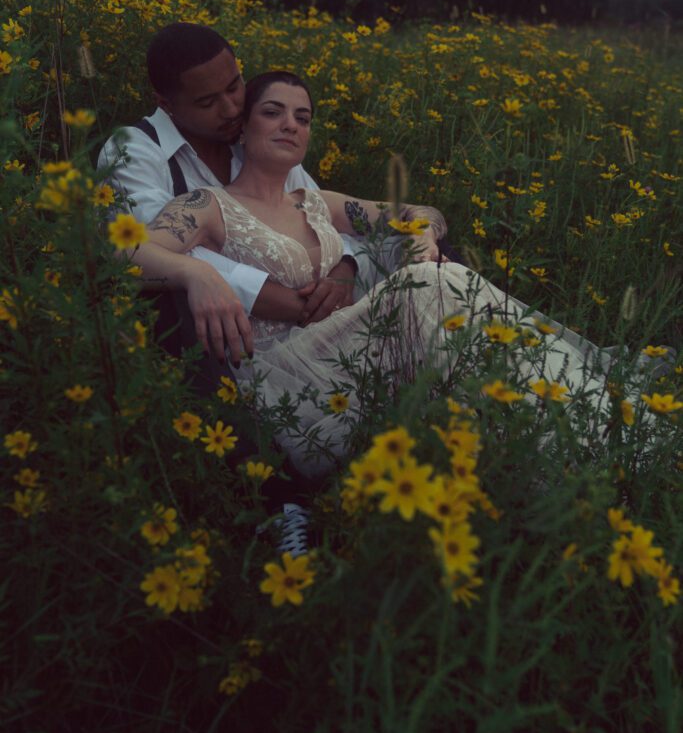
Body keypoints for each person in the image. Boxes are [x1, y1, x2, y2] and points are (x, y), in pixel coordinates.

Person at [126, 70, 651, 481]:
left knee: (440, 284)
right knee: (430, 287)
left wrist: (423, 235)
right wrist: (195, 273)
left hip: (350, 363)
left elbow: (424, 212)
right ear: (244, 125)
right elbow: (129, 251)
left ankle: (583, 431)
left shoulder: (317, 202)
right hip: (282, 386)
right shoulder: (205, 203)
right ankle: (592, 424)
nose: (291, 124)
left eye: (303, 118)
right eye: (273, 112)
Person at [98, 23, 362, 370]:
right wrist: (199, 274)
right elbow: (147, 251)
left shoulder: (256, 132)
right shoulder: (134, 150)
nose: (230, 109)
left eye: (234, 87)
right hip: (212, 355)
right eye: (207, 102)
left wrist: (345, 267)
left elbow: (317, 212)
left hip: (315, 328)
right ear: (165, 103)